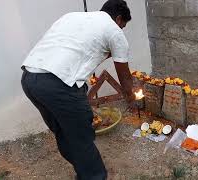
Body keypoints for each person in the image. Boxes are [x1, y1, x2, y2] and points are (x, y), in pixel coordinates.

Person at [20, 0, 133, 179]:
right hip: (58, 86)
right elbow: (125, 78)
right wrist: (132, 99)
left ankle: (83, 171)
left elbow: (74, 53)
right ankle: (92, 175)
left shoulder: (71, 17)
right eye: (123, 26)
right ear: (118, 19)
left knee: (64, 132)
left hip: (30, 79)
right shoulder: (114, 31)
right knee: (82, 138)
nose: (121, 30)